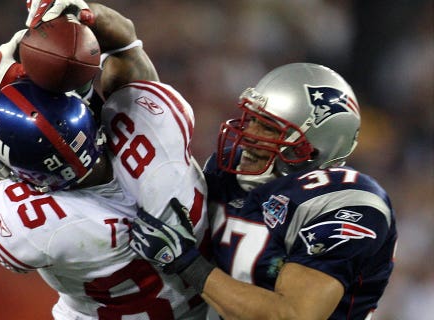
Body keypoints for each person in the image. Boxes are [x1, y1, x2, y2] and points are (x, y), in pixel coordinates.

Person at [0, 1, 210, 319]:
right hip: (213, 304)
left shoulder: (46, 227)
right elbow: (125, 40)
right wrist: (80, 13)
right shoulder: (154, 125)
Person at [130, 63, 397, 319]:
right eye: (251, 119)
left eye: (268, 127)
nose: (248, 134)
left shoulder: (347, 203)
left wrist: (186, 262)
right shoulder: (229, 171)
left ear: (314, 147)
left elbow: (292, 316)